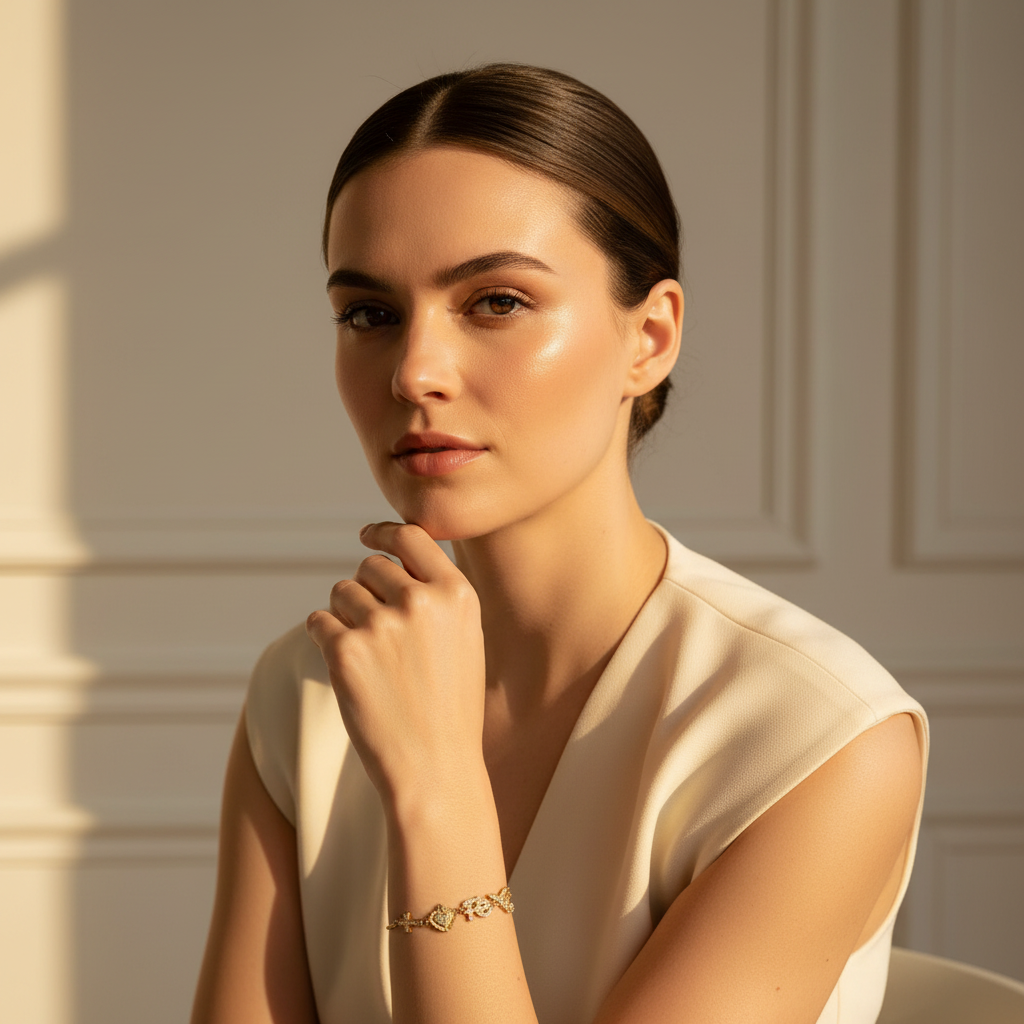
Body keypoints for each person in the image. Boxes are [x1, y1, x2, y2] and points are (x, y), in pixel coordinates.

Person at [190, 64, 927, 1024]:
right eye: (370, 313)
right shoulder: (310, 689)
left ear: (649, 338)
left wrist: (437, 789)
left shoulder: (814, 740)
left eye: (496, 302)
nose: (416, 370)